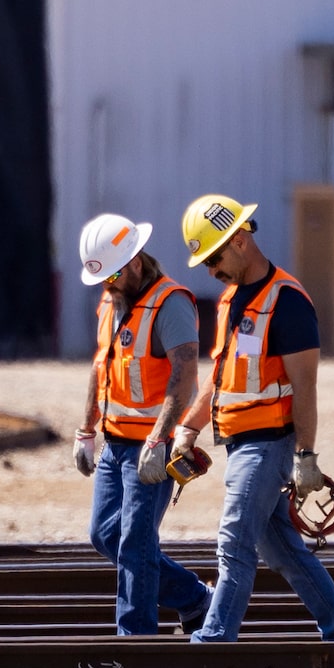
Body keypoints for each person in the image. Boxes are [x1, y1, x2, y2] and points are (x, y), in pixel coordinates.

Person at [171, 194, 334, 643]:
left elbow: (306, 386)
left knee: (234, 541)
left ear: (240, 240)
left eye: (214, 257)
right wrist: (190, 426)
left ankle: (214, 641)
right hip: (239, 443)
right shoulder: (228, 303)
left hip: (267, 444)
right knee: (284, 551)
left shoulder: (288, 301)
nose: (210, 270)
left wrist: (305, 456)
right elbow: (219, 376)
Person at [74, 212, 213, 636]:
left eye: (114, 274)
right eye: (102, 278)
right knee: (104, 535)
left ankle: (135, 640)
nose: (108, 284)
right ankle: (194, 598)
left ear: (135, 261)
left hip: (151, 447)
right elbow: (102, 368)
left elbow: (184, 373)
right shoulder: (111, 301)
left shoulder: (169, 303)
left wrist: (160, 438)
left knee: (136, 542)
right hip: (115, 444)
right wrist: (86, 430)